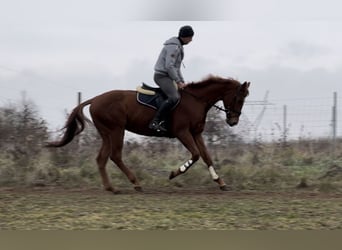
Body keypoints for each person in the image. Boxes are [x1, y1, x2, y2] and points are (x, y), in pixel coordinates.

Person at [149, 25, 194, 133]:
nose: (191, 40)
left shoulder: (178, 46)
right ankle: (155, 121)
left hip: (169, 77)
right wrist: (178, 81)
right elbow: (169, 66)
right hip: (162, 76)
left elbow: (177, 68)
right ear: (185, 37)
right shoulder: (173, 47)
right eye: (190, 37)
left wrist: (182, 81)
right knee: (174, 97)